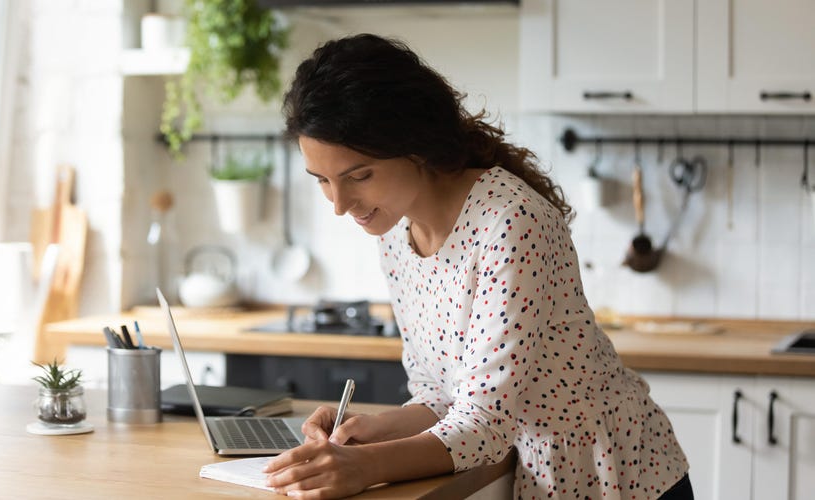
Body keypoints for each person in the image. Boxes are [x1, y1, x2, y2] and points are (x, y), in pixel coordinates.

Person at [264, 33, 693, 500]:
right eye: (323, 181)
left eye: (358, 176)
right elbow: (442, 395)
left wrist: (362, 468)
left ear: (415, 145)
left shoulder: (510, 222)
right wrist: (367, 432)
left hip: (614, 477)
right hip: (529, 474)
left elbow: (486, 422)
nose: (340, 205)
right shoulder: (394, 234)